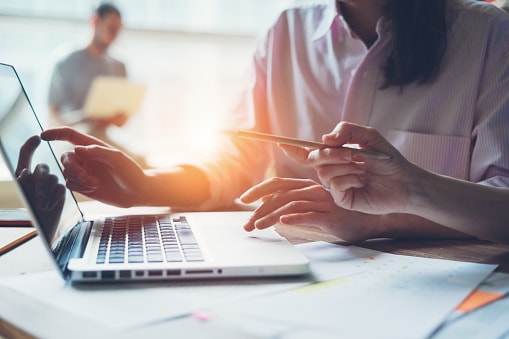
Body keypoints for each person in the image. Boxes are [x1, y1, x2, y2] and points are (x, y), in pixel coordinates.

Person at [41, 0, 509, 244]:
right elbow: (234, 161)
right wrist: (150, 186)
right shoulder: (286, 32)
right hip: (292, 277)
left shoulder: (488, 36)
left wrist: (383, 217)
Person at [47, 3, 131, 153]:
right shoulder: (65, 62)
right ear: (94, 21)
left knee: (140, 164)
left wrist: (118, 118)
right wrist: (84, 119)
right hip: (71, 141)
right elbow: (53, 118)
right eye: (111, 28)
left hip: (104, 139)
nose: (114, 35)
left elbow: (122, 120)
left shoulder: (119, 66)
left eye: (118, 30)